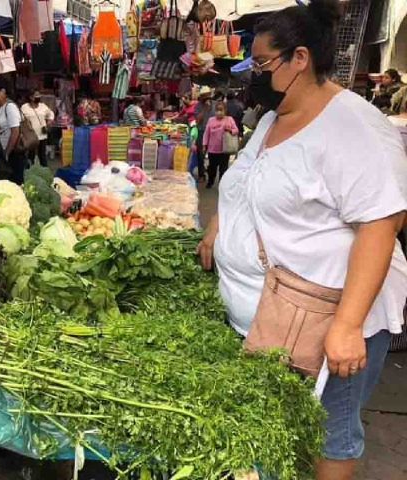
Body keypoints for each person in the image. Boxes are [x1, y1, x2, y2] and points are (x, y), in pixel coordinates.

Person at [196, 2, 407, 480]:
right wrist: (220, 225)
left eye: (264, 63)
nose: (255, 74)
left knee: (330, 431)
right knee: (288, 426)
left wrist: (348, 327)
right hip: (277, 318)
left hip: (329, 317)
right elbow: (248, 182)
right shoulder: (274, 120)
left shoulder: (354, 126)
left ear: (300, 59)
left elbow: (381, 224)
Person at [0, 78, 26, 185]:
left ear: (3, 92)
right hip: (6, 152)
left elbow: (15, 131)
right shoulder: (1, 108)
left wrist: (7, 153)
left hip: (13, 154)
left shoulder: (10, 107)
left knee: (15, 184)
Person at [202, 102, 238, 189]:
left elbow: (236, 130)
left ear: (225, 111)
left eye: (221, 110)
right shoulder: (211, 120)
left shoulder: (229, 119)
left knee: (223, 169)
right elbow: (206, 134)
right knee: (212, 168)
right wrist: (204, 145)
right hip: (212, 150)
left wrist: (230, 130)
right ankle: (210, 182)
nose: (219, 112)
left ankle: (222, 185)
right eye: (217, 110)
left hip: (224, 150)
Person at [21, 90, 55, 167]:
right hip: (31, 136)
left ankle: (45, 173)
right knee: (31, 155)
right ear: (31, 97)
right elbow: (21, 119)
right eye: (36, 95)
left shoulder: (43, 106)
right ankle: (30, 172)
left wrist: (49, 122)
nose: (38, 97)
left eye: (39, 95)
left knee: (42, 155)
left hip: (42, 134)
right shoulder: (24, 107)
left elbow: (51, 113)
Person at [193, 86, 215, 182]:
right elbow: (197, 120)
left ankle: (210, 172)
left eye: (208, 96)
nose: (206, 98)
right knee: (200, 154)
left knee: (213, 154)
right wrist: (205, 109)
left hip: (214, 132)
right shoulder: (198, 105)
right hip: (202, 131)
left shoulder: (215, 104)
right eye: (204, 96)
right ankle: (201, 175)